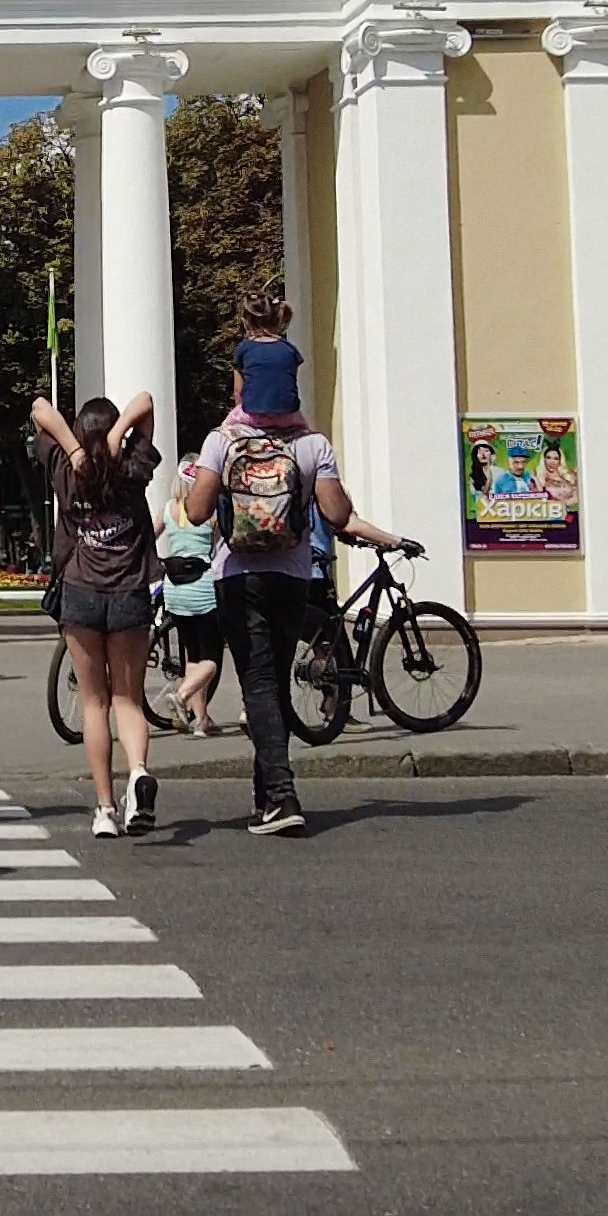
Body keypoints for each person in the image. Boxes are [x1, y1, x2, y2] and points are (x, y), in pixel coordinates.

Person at [179, 405, 408, 836]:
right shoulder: (312, 444)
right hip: (292, 578)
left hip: (238, 577)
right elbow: (339, 515)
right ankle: (267, 796)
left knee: (259, 685)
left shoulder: (221, 442)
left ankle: (281, 798)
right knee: (274, 684)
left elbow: (195, 512)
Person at [34, 391, 165, 837]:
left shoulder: (67, 475)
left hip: (81, 594)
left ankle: (106, 808)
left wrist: (76, 449)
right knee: (129, 699)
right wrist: (117, 436)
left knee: (95, 703)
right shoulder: (132, 471)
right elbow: (145, 402)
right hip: (130, 594)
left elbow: (39, 408)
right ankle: (140, 772)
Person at [157, 495, 226, 736]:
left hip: (174, 590)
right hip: (203, 589)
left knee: (194, 657)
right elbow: (222, 545)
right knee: (212, 657)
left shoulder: (169, 508)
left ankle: (201, 720)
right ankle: (181, 694)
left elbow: (150, 535)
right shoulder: (210, 510)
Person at [225, 289, 308, 435]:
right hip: (287, 417)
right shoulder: (289, 350)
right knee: (308, 432)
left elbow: (238, 392)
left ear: (246, 321)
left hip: (253, 416)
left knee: (220, 434)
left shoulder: (244, 349)